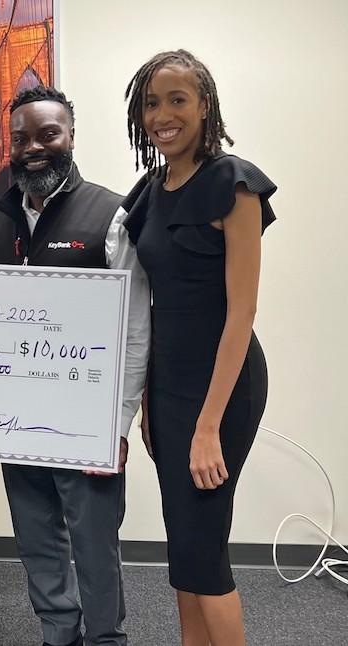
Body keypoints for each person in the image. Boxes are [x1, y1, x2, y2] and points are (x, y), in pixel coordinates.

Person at [0, 85, 150, 646]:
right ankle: (59, 634)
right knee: (35, 539)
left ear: (71, 137)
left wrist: (118, 423)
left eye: (48, 134)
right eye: (21, 137)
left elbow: (134, 328)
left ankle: (105, 639)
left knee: (94, 542)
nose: (33, 147)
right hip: (14, 416)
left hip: (87, 417)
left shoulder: (111, 213)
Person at [121, 49, 276, 646]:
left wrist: (208, 426)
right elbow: (149, 305)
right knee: (182, 544)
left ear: (204, 105)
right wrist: (151, 407)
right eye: (151, 103)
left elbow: (242, 314)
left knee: (204, 549)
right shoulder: (150, 190)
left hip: (225, 387)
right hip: (170, 385)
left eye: (177, 99)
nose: (163, 114)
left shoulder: (233, 185)